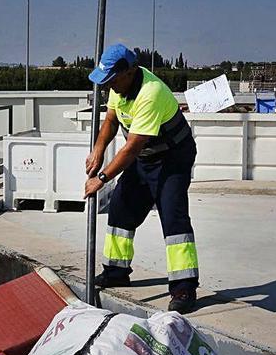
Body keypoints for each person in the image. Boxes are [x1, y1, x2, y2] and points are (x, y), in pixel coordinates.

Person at [83, 44, 199, 314]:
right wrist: (98, 149)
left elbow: (132, 147)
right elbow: (111, 120)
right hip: (145, 156)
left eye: (112, 79)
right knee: (121, 208)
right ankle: (116, 271)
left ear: (130, 71)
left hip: (172, 158)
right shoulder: (118, 89)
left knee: (173, 218)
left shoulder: (150, 92)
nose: (109, 85)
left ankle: (184, 287)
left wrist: (102, 177)